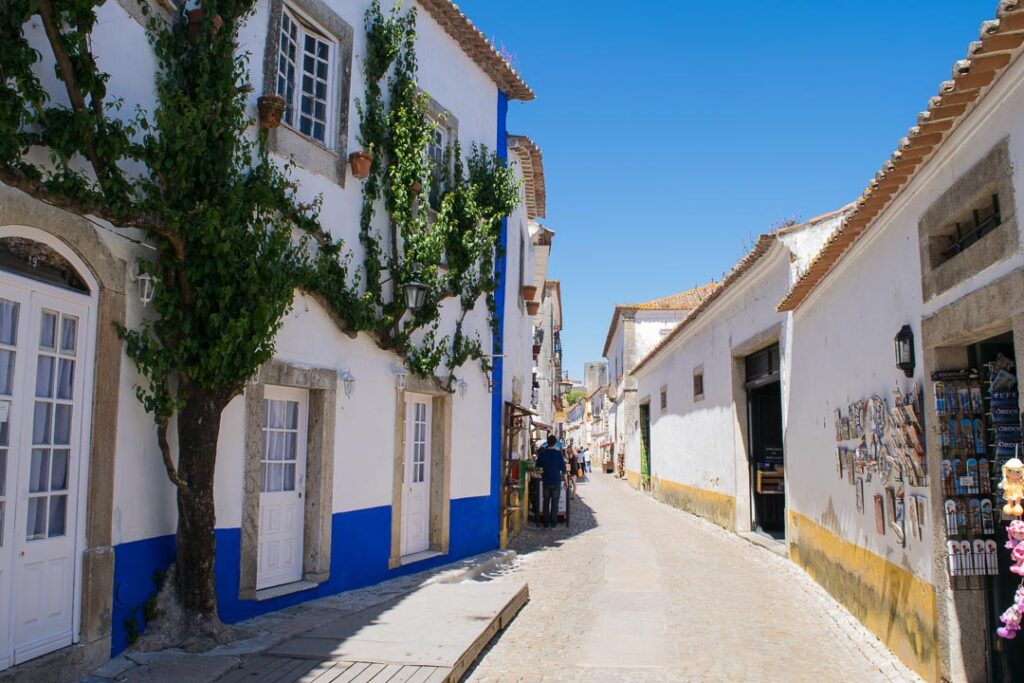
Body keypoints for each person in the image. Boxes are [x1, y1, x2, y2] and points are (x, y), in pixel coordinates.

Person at [535, 435, 565, 528]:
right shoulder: (559, 454)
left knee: (546, 501)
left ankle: (546, 522)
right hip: (556, 480)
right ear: (555, 442)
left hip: (546, 480)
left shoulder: (543, 453)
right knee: (555, 502)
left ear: (547, 442)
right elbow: (563, 468)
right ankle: (554, 522)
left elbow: (537, 466)